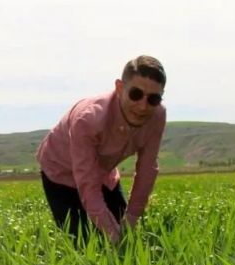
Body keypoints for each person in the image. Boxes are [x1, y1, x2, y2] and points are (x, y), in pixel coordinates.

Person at [36, 55, 166, 244]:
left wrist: (131, 218)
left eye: (153, 98)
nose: (143, 106)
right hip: (60, 174)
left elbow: (147, 169)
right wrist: (113, 235)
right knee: (83, 243)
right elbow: (88, 184)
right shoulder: (88, 119)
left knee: (126, 233)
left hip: (103, 173)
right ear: (120, 88)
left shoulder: (157, 115)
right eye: (136, 94)